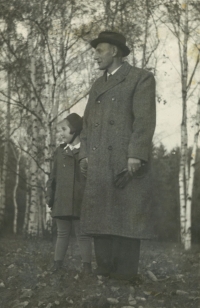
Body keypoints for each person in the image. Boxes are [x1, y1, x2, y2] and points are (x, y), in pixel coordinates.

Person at [79, 31, 156, 280]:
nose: (95, 57)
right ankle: (104, 269)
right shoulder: (97, 85)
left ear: (115, 51)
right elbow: (87, 123)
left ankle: (124, 275)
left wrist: (136, 155)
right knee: (100, 215)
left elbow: (144, 121)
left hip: (125, 161)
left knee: (126, 216)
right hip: (99, 161)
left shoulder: (140, 78)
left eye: (99, 51)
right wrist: (83, 155)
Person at [46, 113, 92, 274]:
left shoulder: (87, 152)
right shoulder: (60, 152)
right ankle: (57, 266)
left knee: (83, 234)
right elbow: (53, 177)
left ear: (75, 130)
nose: (61, 133)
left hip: (81, 201)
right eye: (60, 130)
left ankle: (87, 267)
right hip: (62, 201)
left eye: (64, 129)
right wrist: (50, 197)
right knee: (62, 233)